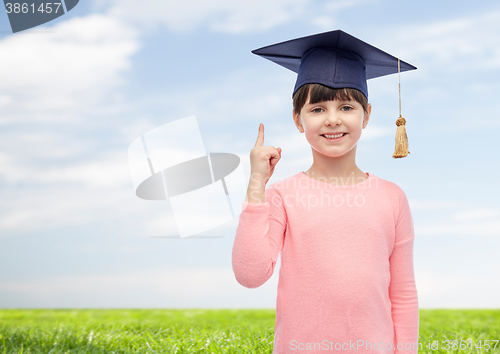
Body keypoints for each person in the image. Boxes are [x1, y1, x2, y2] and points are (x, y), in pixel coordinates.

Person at [232, 30, 420, 354]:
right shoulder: (281, 196)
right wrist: (256, 187)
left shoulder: (392, 198)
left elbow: (402, 293)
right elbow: (250, 275)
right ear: (298, 119)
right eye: (317, 109)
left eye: (346, 107)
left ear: (367, 114)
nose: (332, 120)